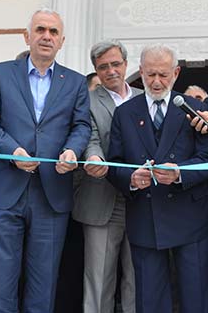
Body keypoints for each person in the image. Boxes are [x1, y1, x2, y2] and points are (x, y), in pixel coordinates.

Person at [0, 8, 91, 312]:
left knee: (43, 285)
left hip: (51, 194)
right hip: (3, 191)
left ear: (62, 41)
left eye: (53, 32)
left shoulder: (76, 82)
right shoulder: (0, 73)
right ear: (27, 36)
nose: (46, 36)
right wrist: (12, 151)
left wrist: (73, 150)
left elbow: (81, 126)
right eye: (40, 30)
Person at [106, 44, 208, 312]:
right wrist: (132, 178)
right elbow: (114, 163)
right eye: (150, 74)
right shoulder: (125, 113)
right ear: (140, 72)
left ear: (176, 73)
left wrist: (179, 174)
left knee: (196, 296)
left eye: (163, 75)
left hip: (190, 217)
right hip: (145, 216)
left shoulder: (193, 108)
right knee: (151, 298)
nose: (156, 82)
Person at [71, 39, 140, 313]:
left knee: (137, 279)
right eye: (103, 67)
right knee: (99, 280)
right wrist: (93, 157)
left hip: (141, 200)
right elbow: (89, 136)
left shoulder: (144, 96)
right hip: (101, 198)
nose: (110, 71)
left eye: (115, 64)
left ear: (125, 64)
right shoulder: (85, 101)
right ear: (96, 71)